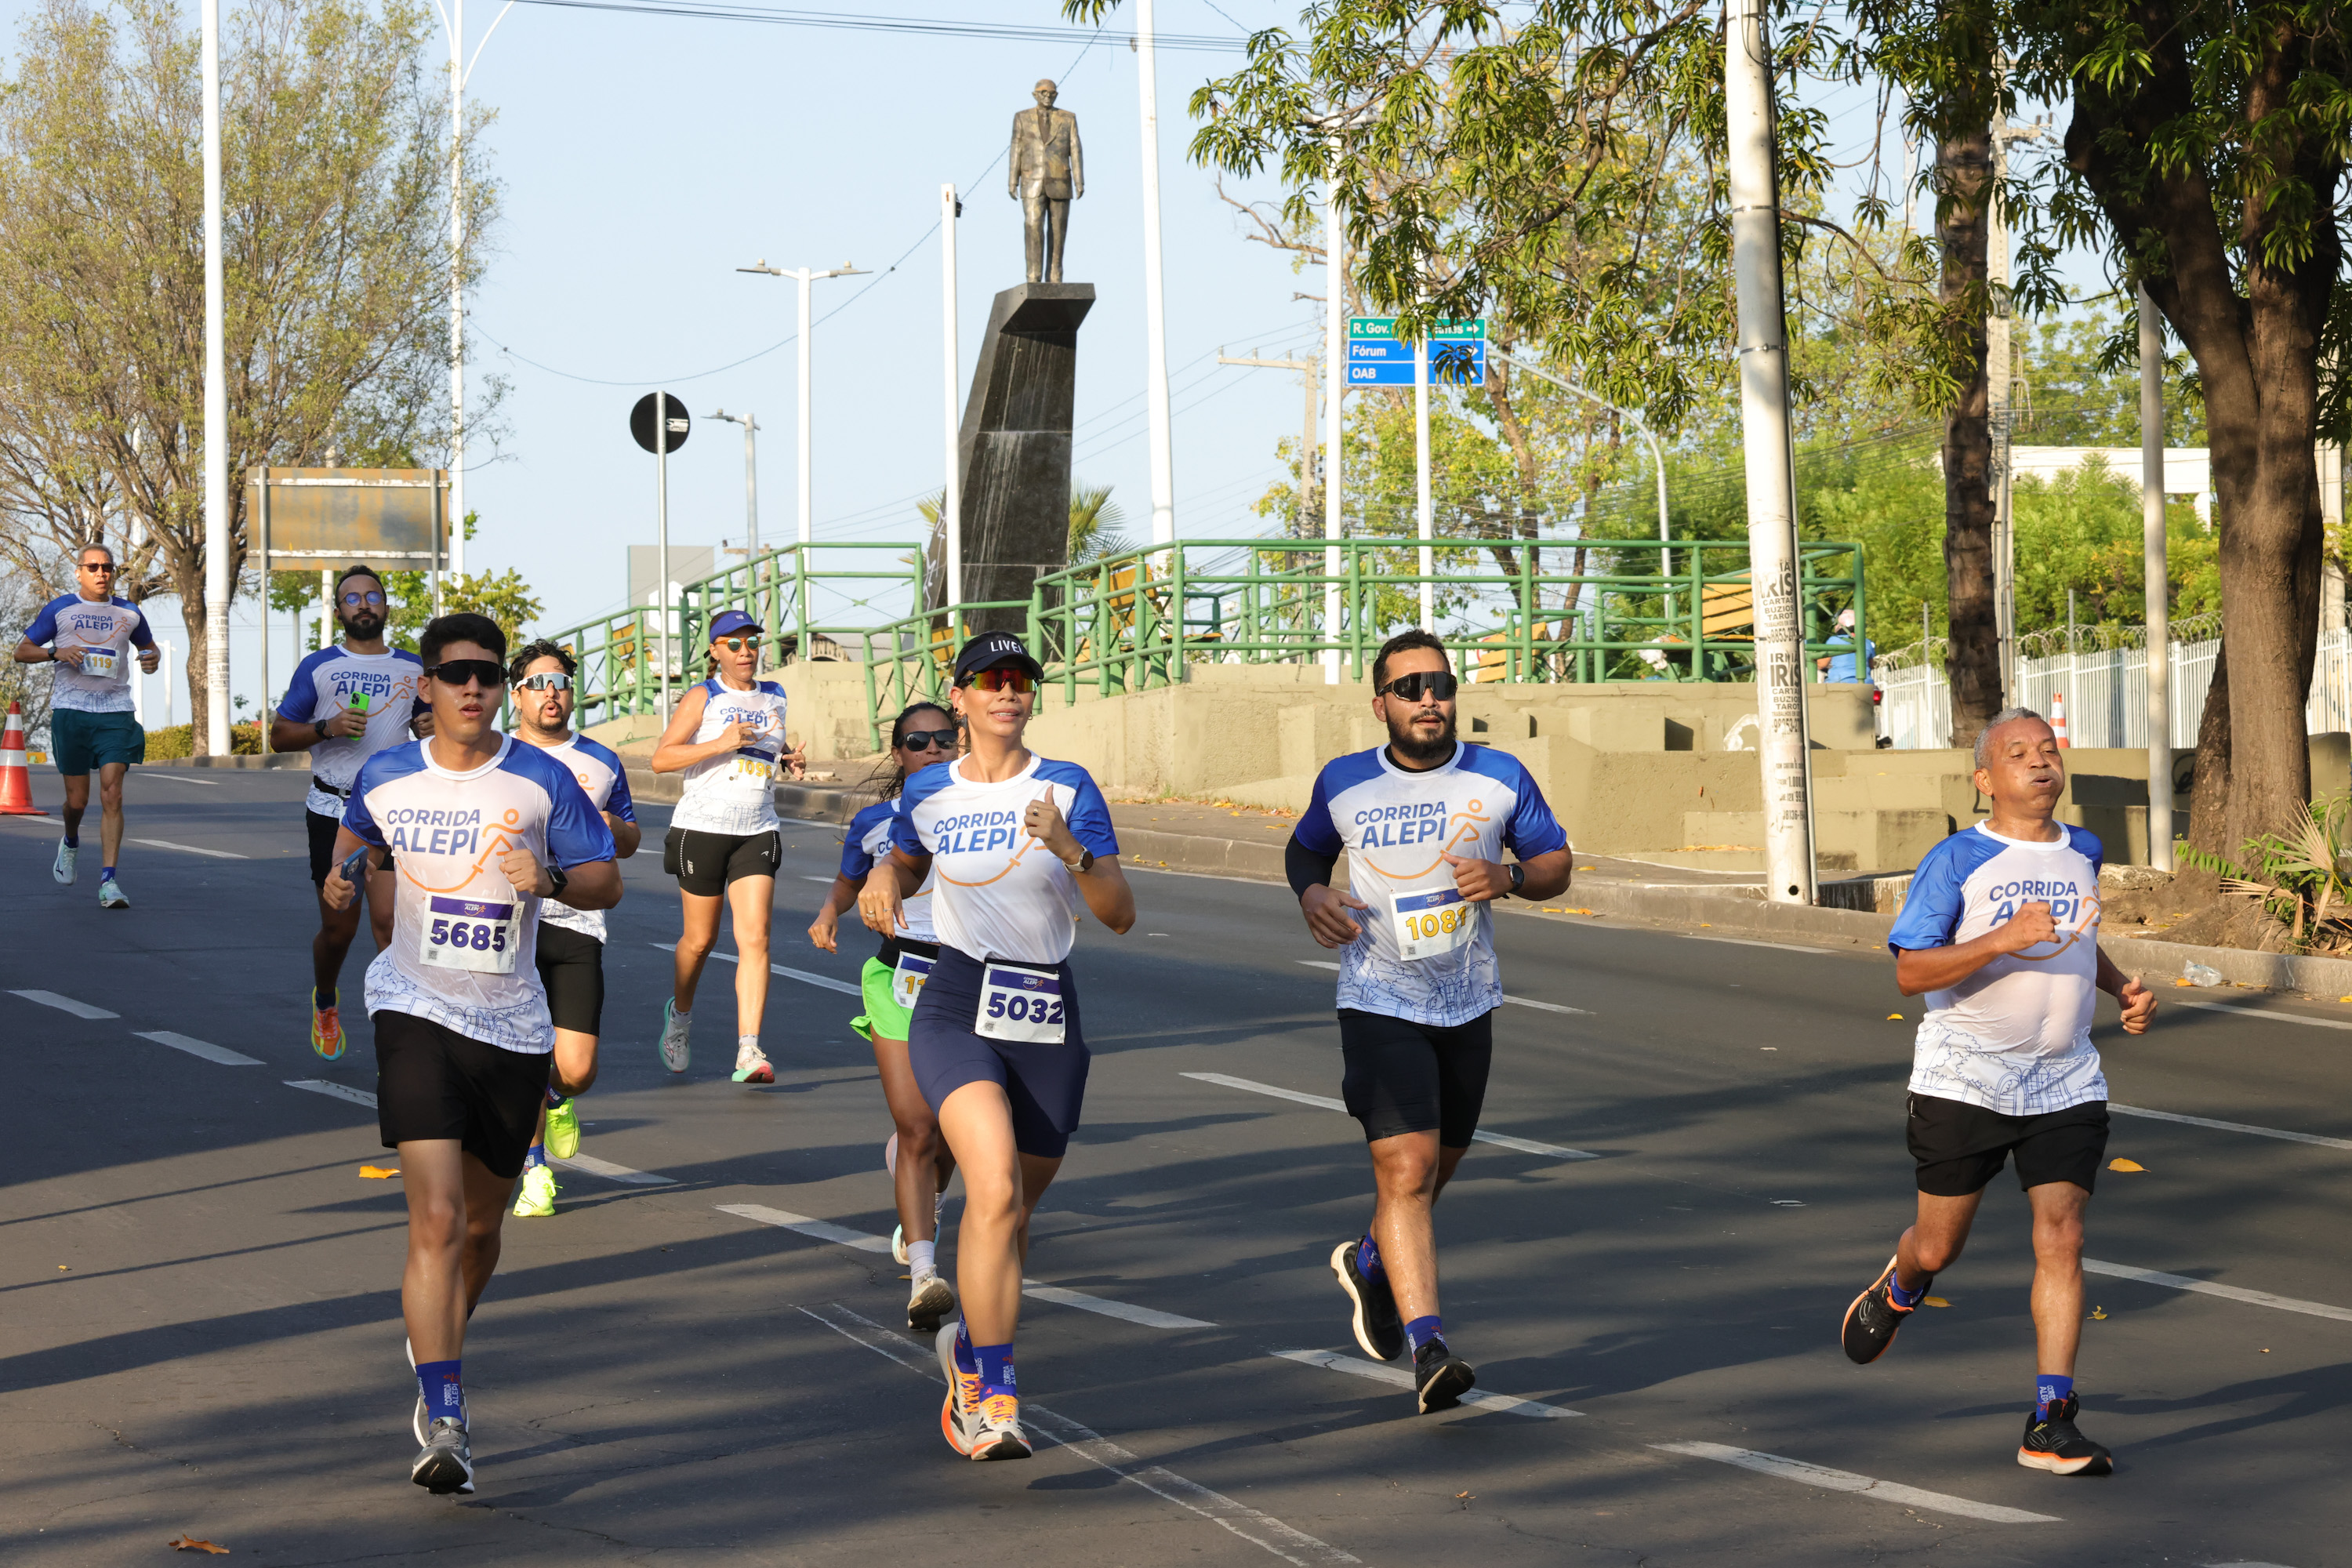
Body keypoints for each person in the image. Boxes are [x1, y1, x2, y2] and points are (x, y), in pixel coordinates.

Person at [320, 612, 621, 1494]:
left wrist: (554, 878)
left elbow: (605, 874)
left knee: (483, 1227)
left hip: (513, 1022)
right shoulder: (384, 774)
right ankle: (445, 1412)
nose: (473, 688)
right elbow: (349, 859)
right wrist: (342, 880)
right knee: (439, 1218)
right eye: (455, 674)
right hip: (411, 1004)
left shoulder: (540, 777)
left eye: (488, 674)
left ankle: (437, 1338)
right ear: (427, 685)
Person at [1842, 706, 2156, 1478]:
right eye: (2017, 752)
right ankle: (1902, 1279)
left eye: (2047, 748)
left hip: (2065, 1074)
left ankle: (2051, 1418)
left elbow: (2076, 931)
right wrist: (1999, 939)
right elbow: (1912, 970)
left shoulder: (2084, 848)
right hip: (1966, 1075)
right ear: (1986, 777)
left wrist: (2118, 987)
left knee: (2064, 1234)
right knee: (1940, 1243)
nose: (2038, 760)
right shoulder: (1957, 859)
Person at [857, 631, 1132, 1461]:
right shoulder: (931, 790)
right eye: (990, 680)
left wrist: (1071, 848)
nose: (1007, 691)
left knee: (1013, 1212)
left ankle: (967, 1351)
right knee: (995, 1184)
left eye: (1020, 679)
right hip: (956, 1003)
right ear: (965, 695)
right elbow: (904, 865)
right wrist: (881, 880)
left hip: (1045, 1010)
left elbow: (1118, 911)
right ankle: (994, 1397)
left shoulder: (1067, 786)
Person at [1284, 628, 1573, 1414]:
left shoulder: (1501, 774)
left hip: (1468, 999)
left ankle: (1371, 1260)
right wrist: (1312, 894)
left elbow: (1556, 864)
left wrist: (1511, 875)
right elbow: (1304, 852)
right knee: (1405, 1172)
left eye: (1439, 685)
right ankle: (1430, 1348)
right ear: (1380, 702)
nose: (1428, 700)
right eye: (1409, 688)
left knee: (1434, 1171)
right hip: (1377, 996)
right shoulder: (1345, 782)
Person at [810, 701, 964, 1332]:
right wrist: (827, 914)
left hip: (967, 973)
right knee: (918, 1124)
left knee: (952, 1133)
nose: (932, 748)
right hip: (899, 974)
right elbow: (849, 882)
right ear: (898, 753)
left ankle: (922, 1193)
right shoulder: (875, 822)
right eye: (917, 741)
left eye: (943, 739)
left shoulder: (978, 811)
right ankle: (925, 1273)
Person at [504, 640, 641, 1219]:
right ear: (516, 696)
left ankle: (559, 1098)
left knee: (576, 1068)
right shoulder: (498, 758)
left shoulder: (602, 762)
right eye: (538, 683)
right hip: (509, 926)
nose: (551, 693)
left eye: (560, 681)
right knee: (528, 1054)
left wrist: (606, 823)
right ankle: (535, 1170)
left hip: (578, 920)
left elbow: (630, 842)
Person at [270, 564, 429, 1058]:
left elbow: (438, 726)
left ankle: (400, 1039)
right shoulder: (319, 666)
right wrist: (328, 727)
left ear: (386, 606)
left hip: (391, 814)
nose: (364, 604)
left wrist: (429, 728)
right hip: (332, 809)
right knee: (340, 927)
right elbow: (279, 736)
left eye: (372, 596)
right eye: (352, 598)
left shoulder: (413, 667)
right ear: (339, 611)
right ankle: (325, 998)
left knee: (389, 924)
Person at [650, 610, 802, 1083]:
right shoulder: (704, 696)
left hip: (758, 827)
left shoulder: (775, 694)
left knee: (755, 937)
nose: (745, 652)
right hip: (703, 828)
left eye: (751, 642)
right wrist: (719, 742)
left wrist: (789, 757)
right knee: (700, 942)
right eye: (732, 645)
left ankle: (749, 1050)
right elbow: (661, 759)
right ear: (715, 651)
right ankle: (680, 1017)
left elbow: (766, 750)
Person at [13, 543, 160, 909]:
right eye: (92, 566)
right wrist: (55, 652)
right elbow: (22, 650)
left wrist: (151, 660)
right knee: (77, 802)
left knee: (112, 794)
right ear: (78, 572)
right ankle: (71, 839)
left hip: (115, 711)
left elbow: (149, 650)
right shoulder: (61, 609)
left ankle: (109, 882)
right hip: (72, 710)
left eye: (108, 567)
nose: (101, 572)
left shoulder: (129, 612)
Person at [1817, 607, 1878, 684]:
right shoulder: (1868, 642)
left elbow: (1822, 664)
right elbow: (1871, 665)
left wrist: (1811, 660)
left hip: (1840, 683)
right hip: (1866, 685)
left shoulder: (1834, 640)